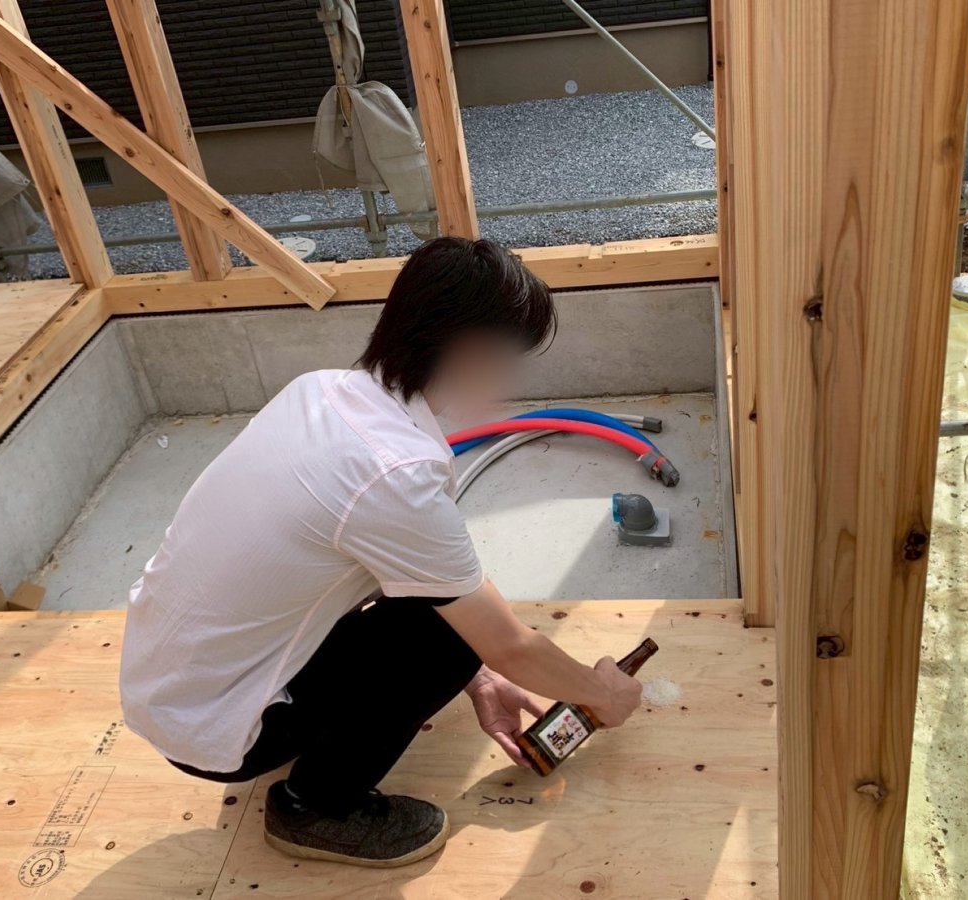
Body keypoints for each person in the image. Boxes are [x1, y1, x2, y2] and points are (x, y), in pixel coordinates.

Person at [118, 237, 644, 868]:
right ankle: (313, 807)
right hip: (209, 725)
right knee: (450, 637)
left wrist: (480, 680)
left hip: (171, 684)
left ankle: (292, 731)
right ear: (470, 352)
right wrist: (599, 694)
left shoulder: (319, 391)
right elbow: (509, 644)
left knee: (452, 619)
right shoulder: (395, 472)